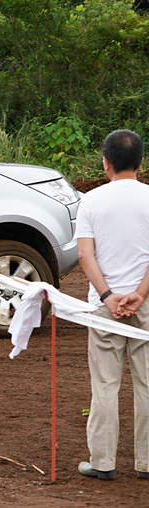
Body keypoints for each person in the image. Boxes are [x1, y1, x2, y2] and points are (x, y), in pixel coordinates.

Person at [75, 129, 149, 480]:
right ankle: (146, 462)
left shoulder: (91, 201)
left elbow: (85, 256)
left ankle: (103, 461)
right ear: (141, 162)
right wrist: (140, 294)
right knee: (147, 382)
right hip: (145, 303)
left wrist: (108, 296)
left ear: (105, 163)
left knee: (105, 384)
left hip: (105, 306)